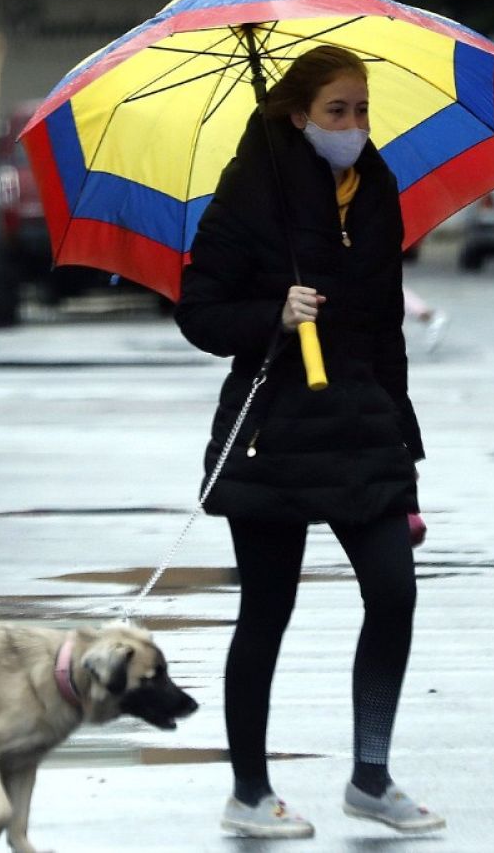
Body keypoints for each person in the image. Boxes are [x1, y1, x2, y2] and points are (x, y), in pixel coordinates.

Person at [174, 45, 443, 839]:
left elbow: (388, 327)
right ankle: (250, 791)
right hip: (274, 433)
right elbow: (199, 313)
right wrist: (273, 312)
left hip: (363, 424)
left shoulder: (377, 190)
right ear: (298, 114)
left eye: (362, 110)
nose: (353, 126)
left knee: (394, 592)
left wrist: (408, 453)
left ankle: (370, 775)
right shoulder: (251, 190)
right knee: (268, 609)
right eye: (337, 111)